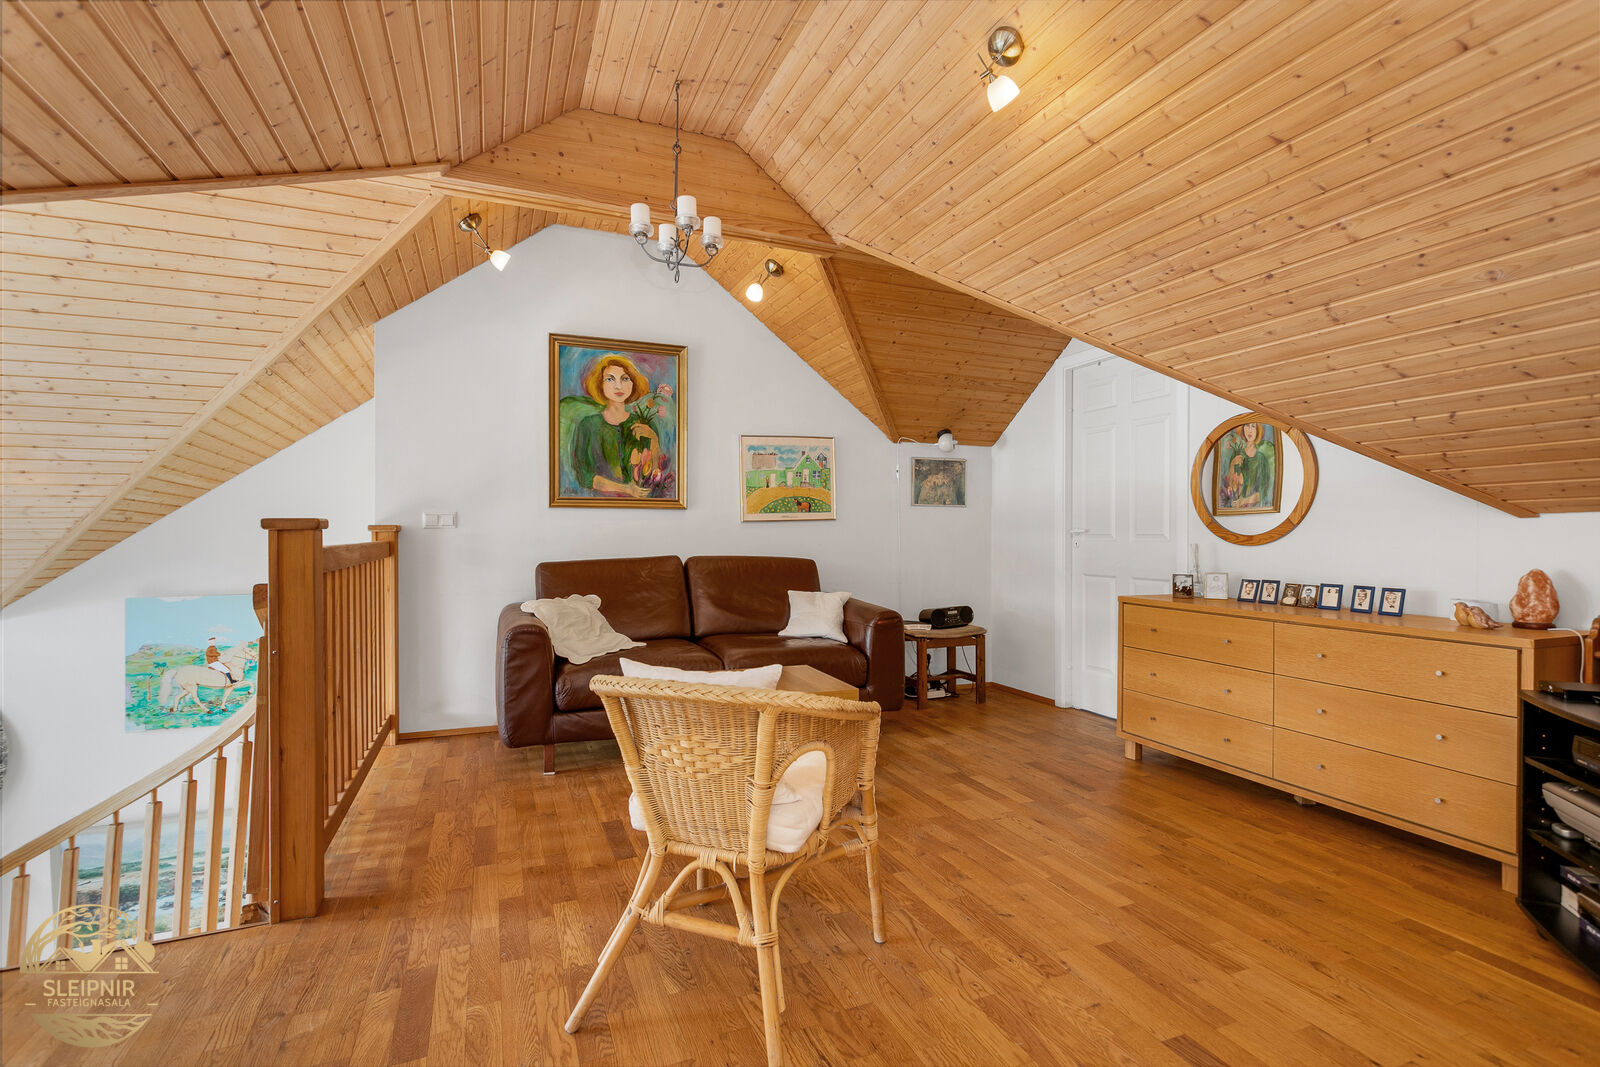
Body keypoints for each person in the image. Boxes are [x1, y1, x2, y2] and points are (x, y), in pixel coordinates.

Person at [568, 355, 664, 499]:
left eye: (625, 379)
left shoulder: (644, 423)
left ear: (633, 383)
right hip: (598, 503)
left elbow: (654, 472)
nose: (618, 386)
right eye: (610, 379)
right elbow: (585, 477)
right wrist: (627, 489)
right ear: (600, 384)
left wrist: (654, 439)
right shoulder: (588, 425)